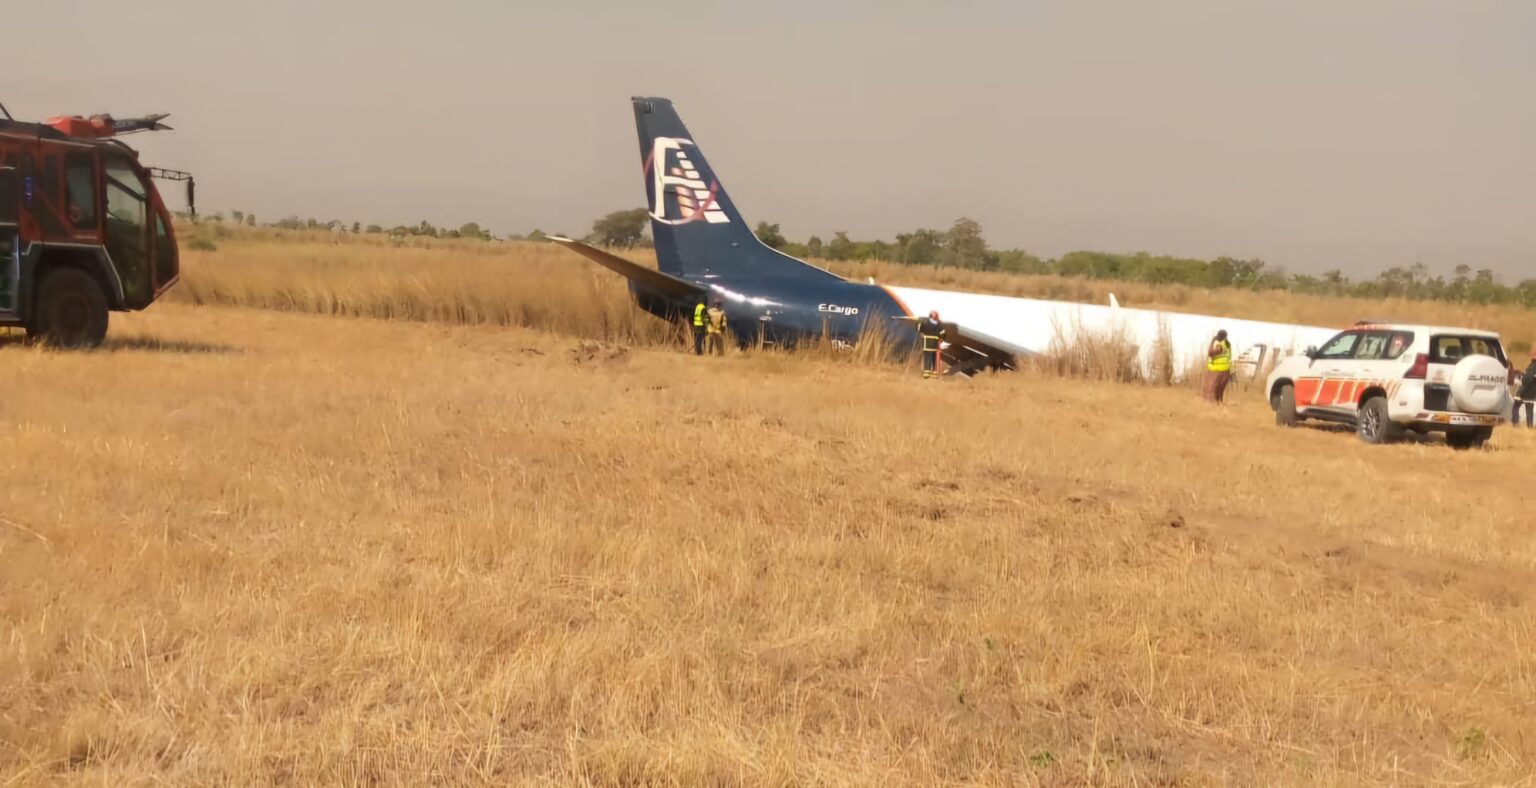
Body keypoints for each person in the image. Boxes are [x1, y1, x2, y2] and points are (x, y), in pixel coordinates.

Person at [1204, 329, 1232, 403]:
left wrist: (1212, 341)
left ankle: (1213, 408)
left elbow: (1210, 353)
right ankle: (1219, 405)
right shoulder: (1227, 343)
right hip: (1226, 370)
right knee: (1220, 391)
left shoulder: (1220, 344)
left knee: (1212, 390)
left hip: (1216, 371)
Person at [918, 310, 944, 379]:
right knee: (934, 358)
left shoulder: (925, 322)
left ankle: (926, 373)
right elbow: (942, 334)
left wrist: (919, 322)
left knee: (927, 357)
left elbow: (920, 330)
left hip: (927, 343)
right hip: (935, 344)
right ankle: (934, 373)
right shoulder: (939, 324)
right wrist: (941, 340)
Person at [1514, 350, 1536, 428]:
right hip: (1532, 393)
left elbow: (1527, 379)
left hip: (1525, 391)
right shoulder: (1531, 366)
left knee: (1515, 407)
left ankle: (1515, 423)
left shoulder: (1532, 366)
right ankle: (1529, 426)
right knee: (1529, 410)